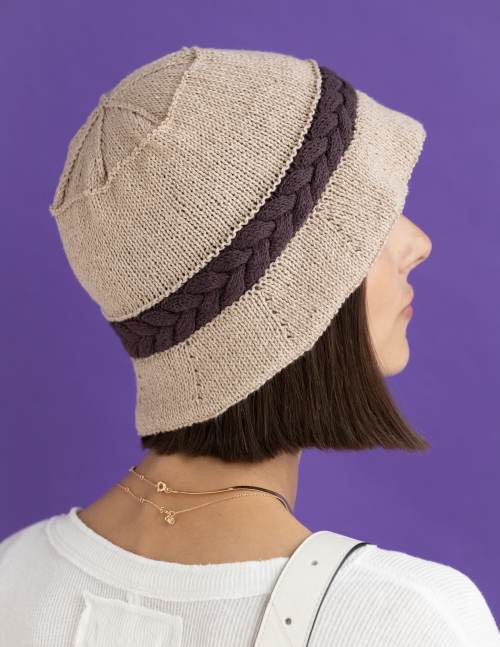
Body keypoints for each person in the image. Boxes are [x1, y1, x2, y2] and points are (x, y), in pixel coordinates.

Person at [1, 45, 498, 646]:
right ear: (279, 297)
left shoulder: (12, 575)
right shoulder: (407, 620)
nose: (417, 243)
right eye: (369, 218)